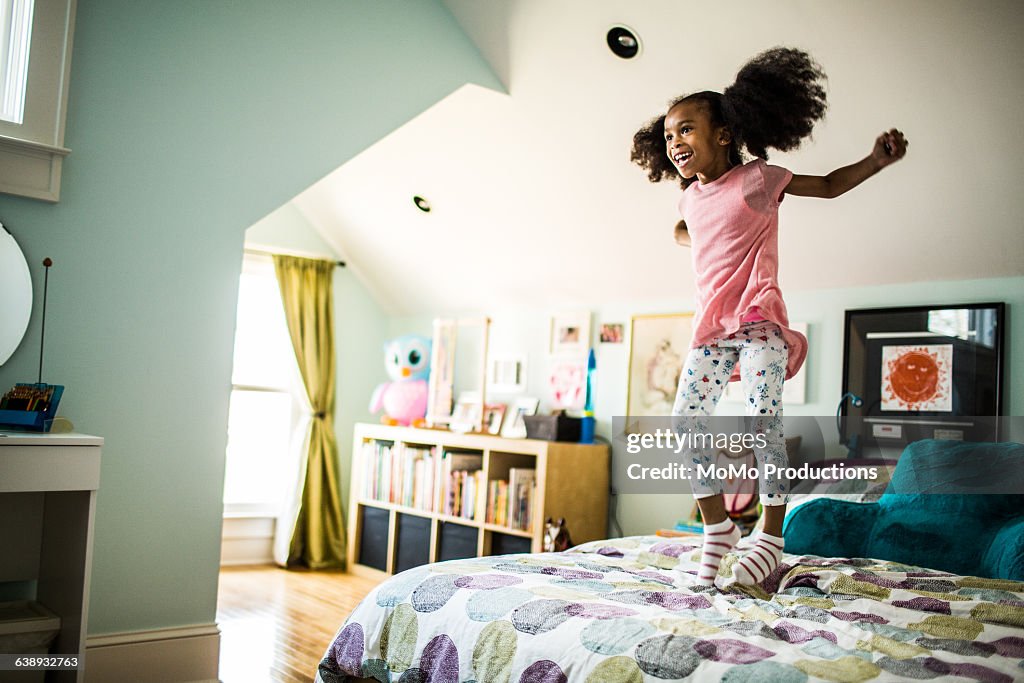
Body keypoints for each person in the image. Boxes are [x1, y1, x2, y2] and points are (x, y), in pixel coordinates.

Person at [630, 47, 908, 588]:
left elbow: (826, 186)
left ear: (724, 135)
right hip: (712, 333)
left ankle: (770, 537)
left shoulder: (758, 180)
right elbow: (690, 229)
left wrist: (875, 161)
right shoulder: (688, 199)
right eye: (667, 137)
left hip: (759, 323)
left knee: (764, 425)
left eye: (685, 130)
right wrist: (685, 236)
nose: (674, 143)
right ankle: (719, 531)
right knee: (685, 424)